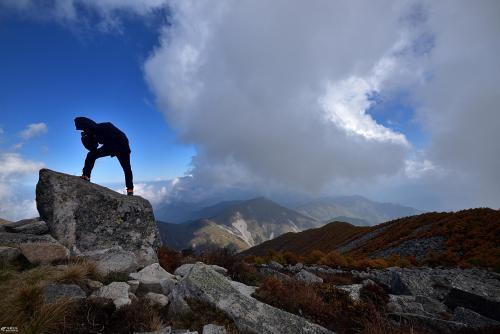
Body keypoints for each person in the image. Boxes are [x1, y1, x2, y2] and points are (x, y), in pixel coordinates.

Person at [74, 117, 134, 195]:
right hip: (116, 147)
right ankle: (86, 176)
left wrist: (118, 147)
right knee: (91, 155)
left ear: (87, 127)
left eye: (84, 129)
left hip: (121, 146)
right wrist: (85, 138)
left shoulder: (104, 126)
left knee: (126, 168)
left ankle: (130, 190)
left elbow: (121, 137)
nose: (84, 131)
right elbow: (92, 148)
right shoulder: (92, 133)